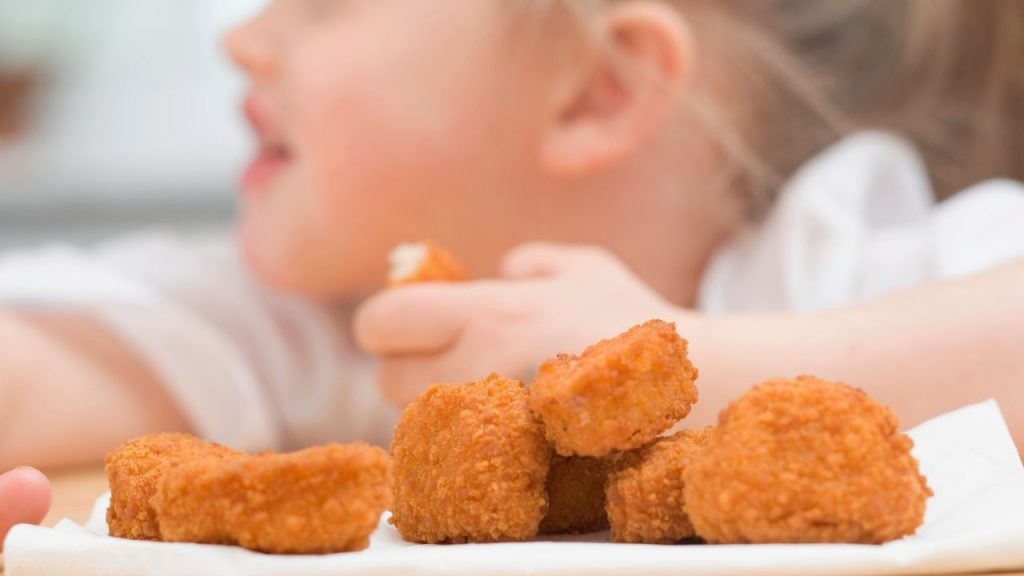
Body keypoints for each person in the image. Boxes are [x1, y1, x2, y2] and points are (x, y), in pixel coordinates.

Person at [1, 0, 1022, 533]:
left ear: (598, 89)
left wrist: (696, 371)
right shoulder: (327, 312)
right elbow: (41, 364)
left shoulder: (837, 260)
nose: (246, 39)